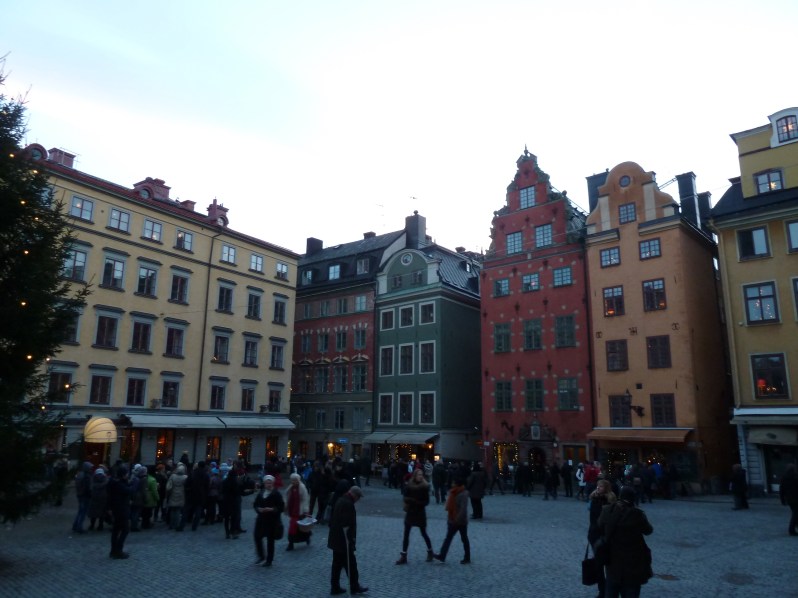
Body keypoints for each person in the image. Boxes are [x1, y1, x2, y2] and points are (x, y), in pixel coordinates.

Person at [598, 486, 654, 598]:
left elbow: (599, 526)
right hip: (632, 560)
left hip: (612, 559)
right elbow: (648, 530)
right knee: (630, 590)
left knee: (611, 590)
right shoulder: (636, 514)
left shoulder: (607, 510)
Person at [328, 486, 368, 595]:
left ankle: (335, 587)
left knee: (337, 565)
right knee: (351, 564)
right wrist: (350, 540)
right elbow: (346, 524)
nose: (358, 500)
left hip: (336, 539)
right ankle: (354, 586)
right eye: (358, 497)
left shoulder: (341, 500)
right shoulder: (348, 504)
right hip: (343, 541)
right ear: (354, 495)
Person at [395, 468, 434, 564]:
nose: (420, 476)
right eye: (419, 475)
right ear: (415, 476)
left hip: (420, 513)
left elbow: (426, 502)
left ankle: (430, 551)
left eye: (421, 475)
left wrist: (417, 502)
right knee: (406, 534)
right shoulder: (409, 485)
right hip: (411, 512)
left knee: (424, 533)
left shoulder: (424, 487)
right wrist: (410, 500)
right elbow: (405, 497)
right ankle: (403, 555)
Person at [588, 478, 617, 598]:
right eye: (598, 486)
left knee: (609, 564)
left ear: (606, 488)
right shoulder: (593, 499)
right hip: (594, 534)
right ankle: (602, 590)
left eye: (601, 486)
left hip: (606, 535)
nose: (598, 488)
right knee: (598, 564)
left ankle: (610, 589)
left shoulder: (610, 501)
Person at [433, 477, 470, 564]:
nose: (452, 484)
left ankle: (467, 557)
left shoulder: (463, 494)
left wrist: (457, 520)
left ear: (457, 484)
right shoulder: (453, 492)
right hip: (452, 519)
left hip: (460, 521)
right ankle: (442, 555)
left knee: (463, 539)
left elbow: (463, 510)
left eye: (453, 482)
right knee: (449, 538)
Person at [253, 475, 285, 566]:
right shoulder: (261, 493)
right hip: (261, 519)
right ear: (264, 483)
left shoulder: (276, 494)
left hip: (272, 520)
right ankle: (261, 556)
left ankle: (269, 560)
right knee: (257, 536)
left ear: (273, 483)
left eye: (270, 483)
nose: (268, 484)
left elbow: (281, 507)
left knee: (270, 540)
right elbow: (255, 504)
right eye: (267, 483)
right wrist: (258, 509)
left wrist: (271, 509)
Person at [106, 466, 134, 559]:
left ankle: (114, 550)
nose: (128, 475)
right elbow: (129, 490)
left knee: (116, 530)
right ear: (123, 475)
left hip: (117, 509)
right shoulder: (119, 485)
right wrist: (133, 484)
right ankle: (118, 550)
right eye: (126, 474)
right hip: (121, 510)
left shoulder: (114, 483)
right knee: (125, 529)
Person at [285, 472, 312, 550]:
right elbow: (288, 498)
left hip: (301, 511)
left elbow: (305, 499)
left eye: (295, 480)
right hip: (293, 510)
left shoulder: (302, 487)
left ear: (298, 480)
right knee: (294, 527)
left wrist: (306, 510)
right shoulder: (291, 487)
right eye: (292, 480)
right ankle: (292, 543)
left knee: (300, 527)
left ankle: (303, 539)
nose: (293, 481)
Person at [71, 461, 93, 534]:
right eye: (90, 468)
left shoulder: (80, 474)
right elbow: (87, 488)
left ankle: (75, 525)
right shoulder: (86, 476)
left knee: (80, 511)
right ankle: (79, 527)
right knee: (83, 512)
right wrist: (90, 494)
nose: (91, 469)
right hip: (85, 496)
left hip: (80, 495)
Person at [166, 463, 188, 531]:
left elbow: (168, 485)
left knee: (172, 510)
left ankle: (171, 524)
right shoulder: (185, 477)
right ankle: (176, 524)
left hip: (173, 493)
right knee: (178, 510)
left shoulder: (173, 476)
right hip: (181, 493)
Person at [779, 463, 798, 536]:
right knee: (795, 514)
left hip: (789, 499)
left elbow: (781, 490)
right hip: (796, 498)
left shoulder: (784, 477)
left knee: (794, 512)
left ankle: (795, 525)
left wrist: (782, 500)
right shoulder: (795, 477)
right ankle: (791, 529)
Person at [87, 467, 108, 531]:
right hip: (103, 499)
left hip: (94, 499)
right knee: (102, 513)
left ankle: (92, 525)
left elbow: (90, 489)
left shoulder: (93, 480)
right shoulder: (105, 481)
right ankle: (100, 525)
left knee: (93, 513)